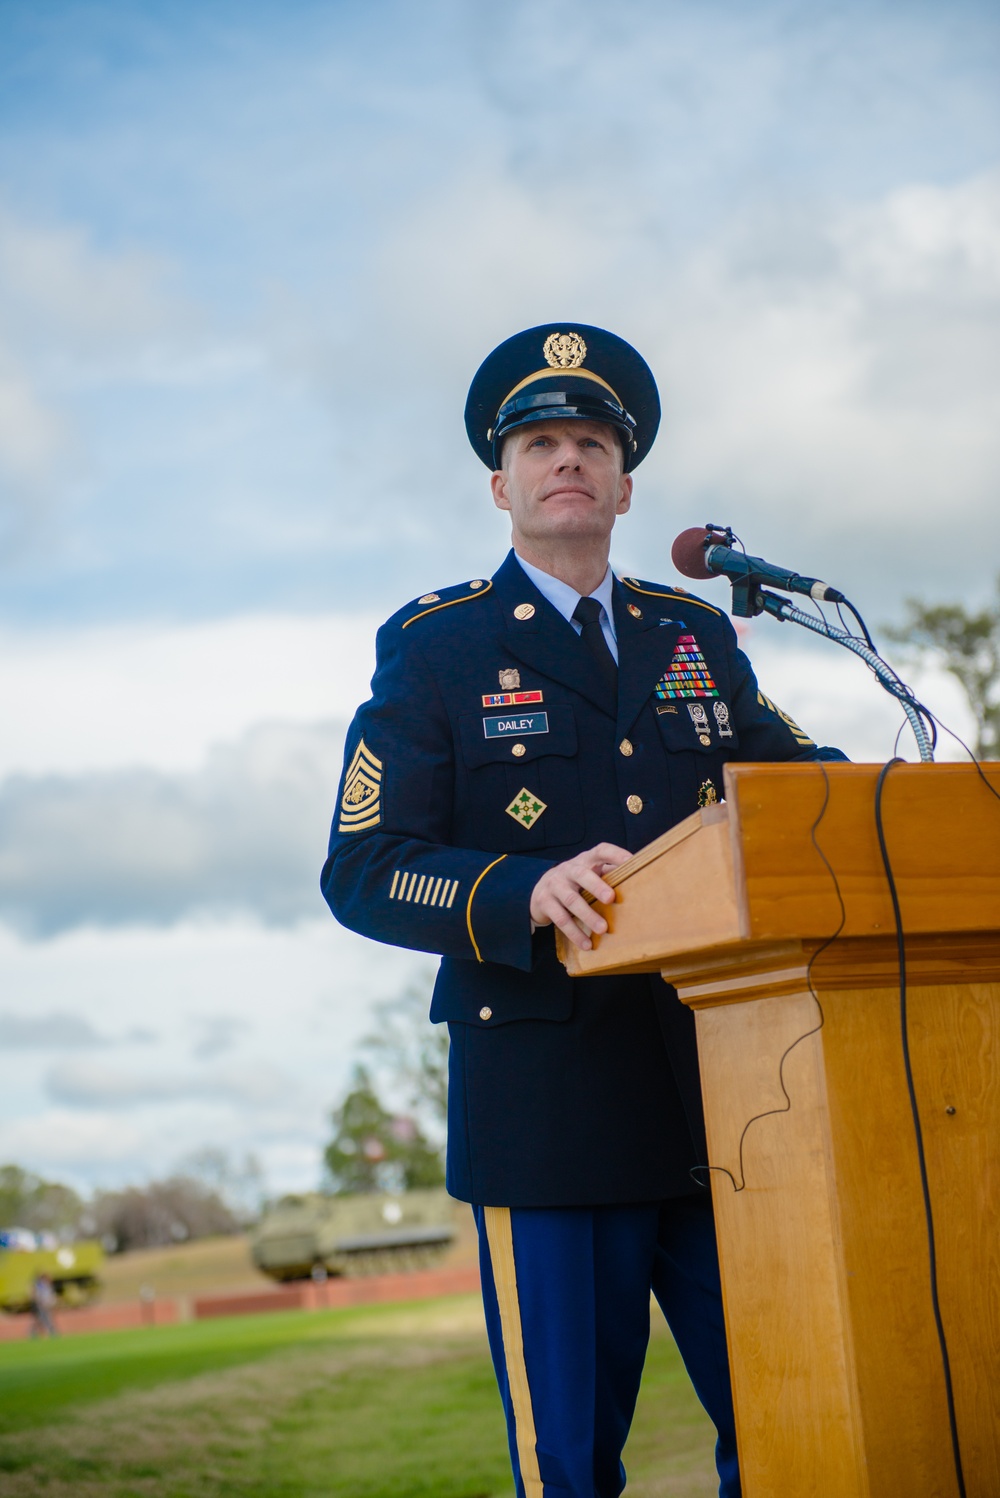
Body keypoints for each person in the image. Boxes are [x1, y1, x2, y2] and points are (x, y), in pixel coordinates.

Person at [322, 323, 845, 1498]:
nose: (568, 460)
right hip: (548, 1114)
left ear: (623, 482)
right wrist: (516, 888)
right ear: (499, 483)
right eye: (542, 442)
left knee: (792, 1426)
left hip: (732, 1105)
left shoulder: (694, 634)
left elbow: (800, 785)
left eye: (592, 443)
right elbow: (364, 863)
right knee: (569, 1465)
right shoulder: (435, 647)